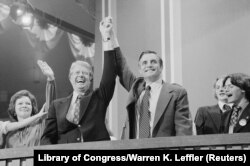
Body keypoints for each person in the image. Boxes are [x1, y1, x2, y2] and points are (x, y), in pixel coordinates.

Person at [100, 17, 192, 139]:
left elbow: (183, 131)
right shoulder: (136, 87)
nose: (149, 65)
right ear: (140, 69)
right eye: (144, 63)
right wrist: (110, 35)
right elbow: (121, 66)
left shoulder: (177, 93)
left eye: (153, 62)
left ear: (161, 67)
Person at [40, 18, 117, 145]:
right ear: (70, 78)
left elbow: (109, 73)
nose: (80, 75)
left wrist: (106, 39)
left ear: (91, 78)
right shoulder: (56, 105)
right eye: (77, 72)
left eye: (85, 73)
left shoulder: (99, 97)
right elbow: (47, 137)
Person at [2, 60, 56, 148]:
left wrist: (50, 79)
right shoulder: (9, 135)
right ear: (14, 110)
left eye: (28, 103)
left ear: (32, 108)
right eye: (20, 103)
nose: (24, 105)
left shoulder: (41, 125)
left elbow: (51, 104)